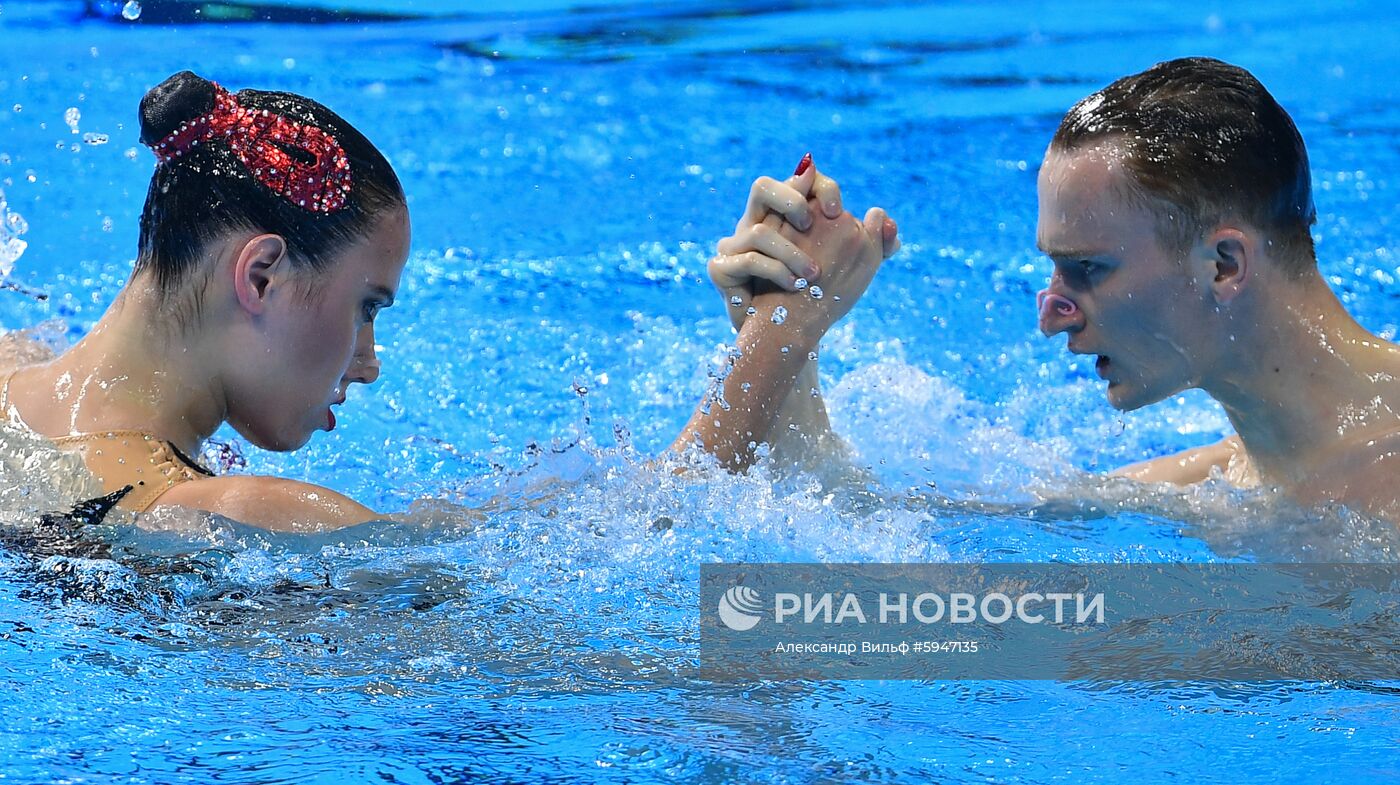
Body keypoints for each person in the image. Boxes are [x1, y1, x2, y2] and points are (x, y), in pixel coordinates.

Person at [724, 57, 1400, 520]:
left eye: (1089, 269)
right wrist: (784, 330)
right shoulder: (1222, 488)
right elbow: (844, 511)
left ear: (1224, 264)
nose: (1051, 317)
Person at [0, 70, 410, 531]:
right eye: (366, 308)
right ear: (261, 277)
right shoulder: (230, 516)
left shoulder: (9, 353)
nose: (369, 366)